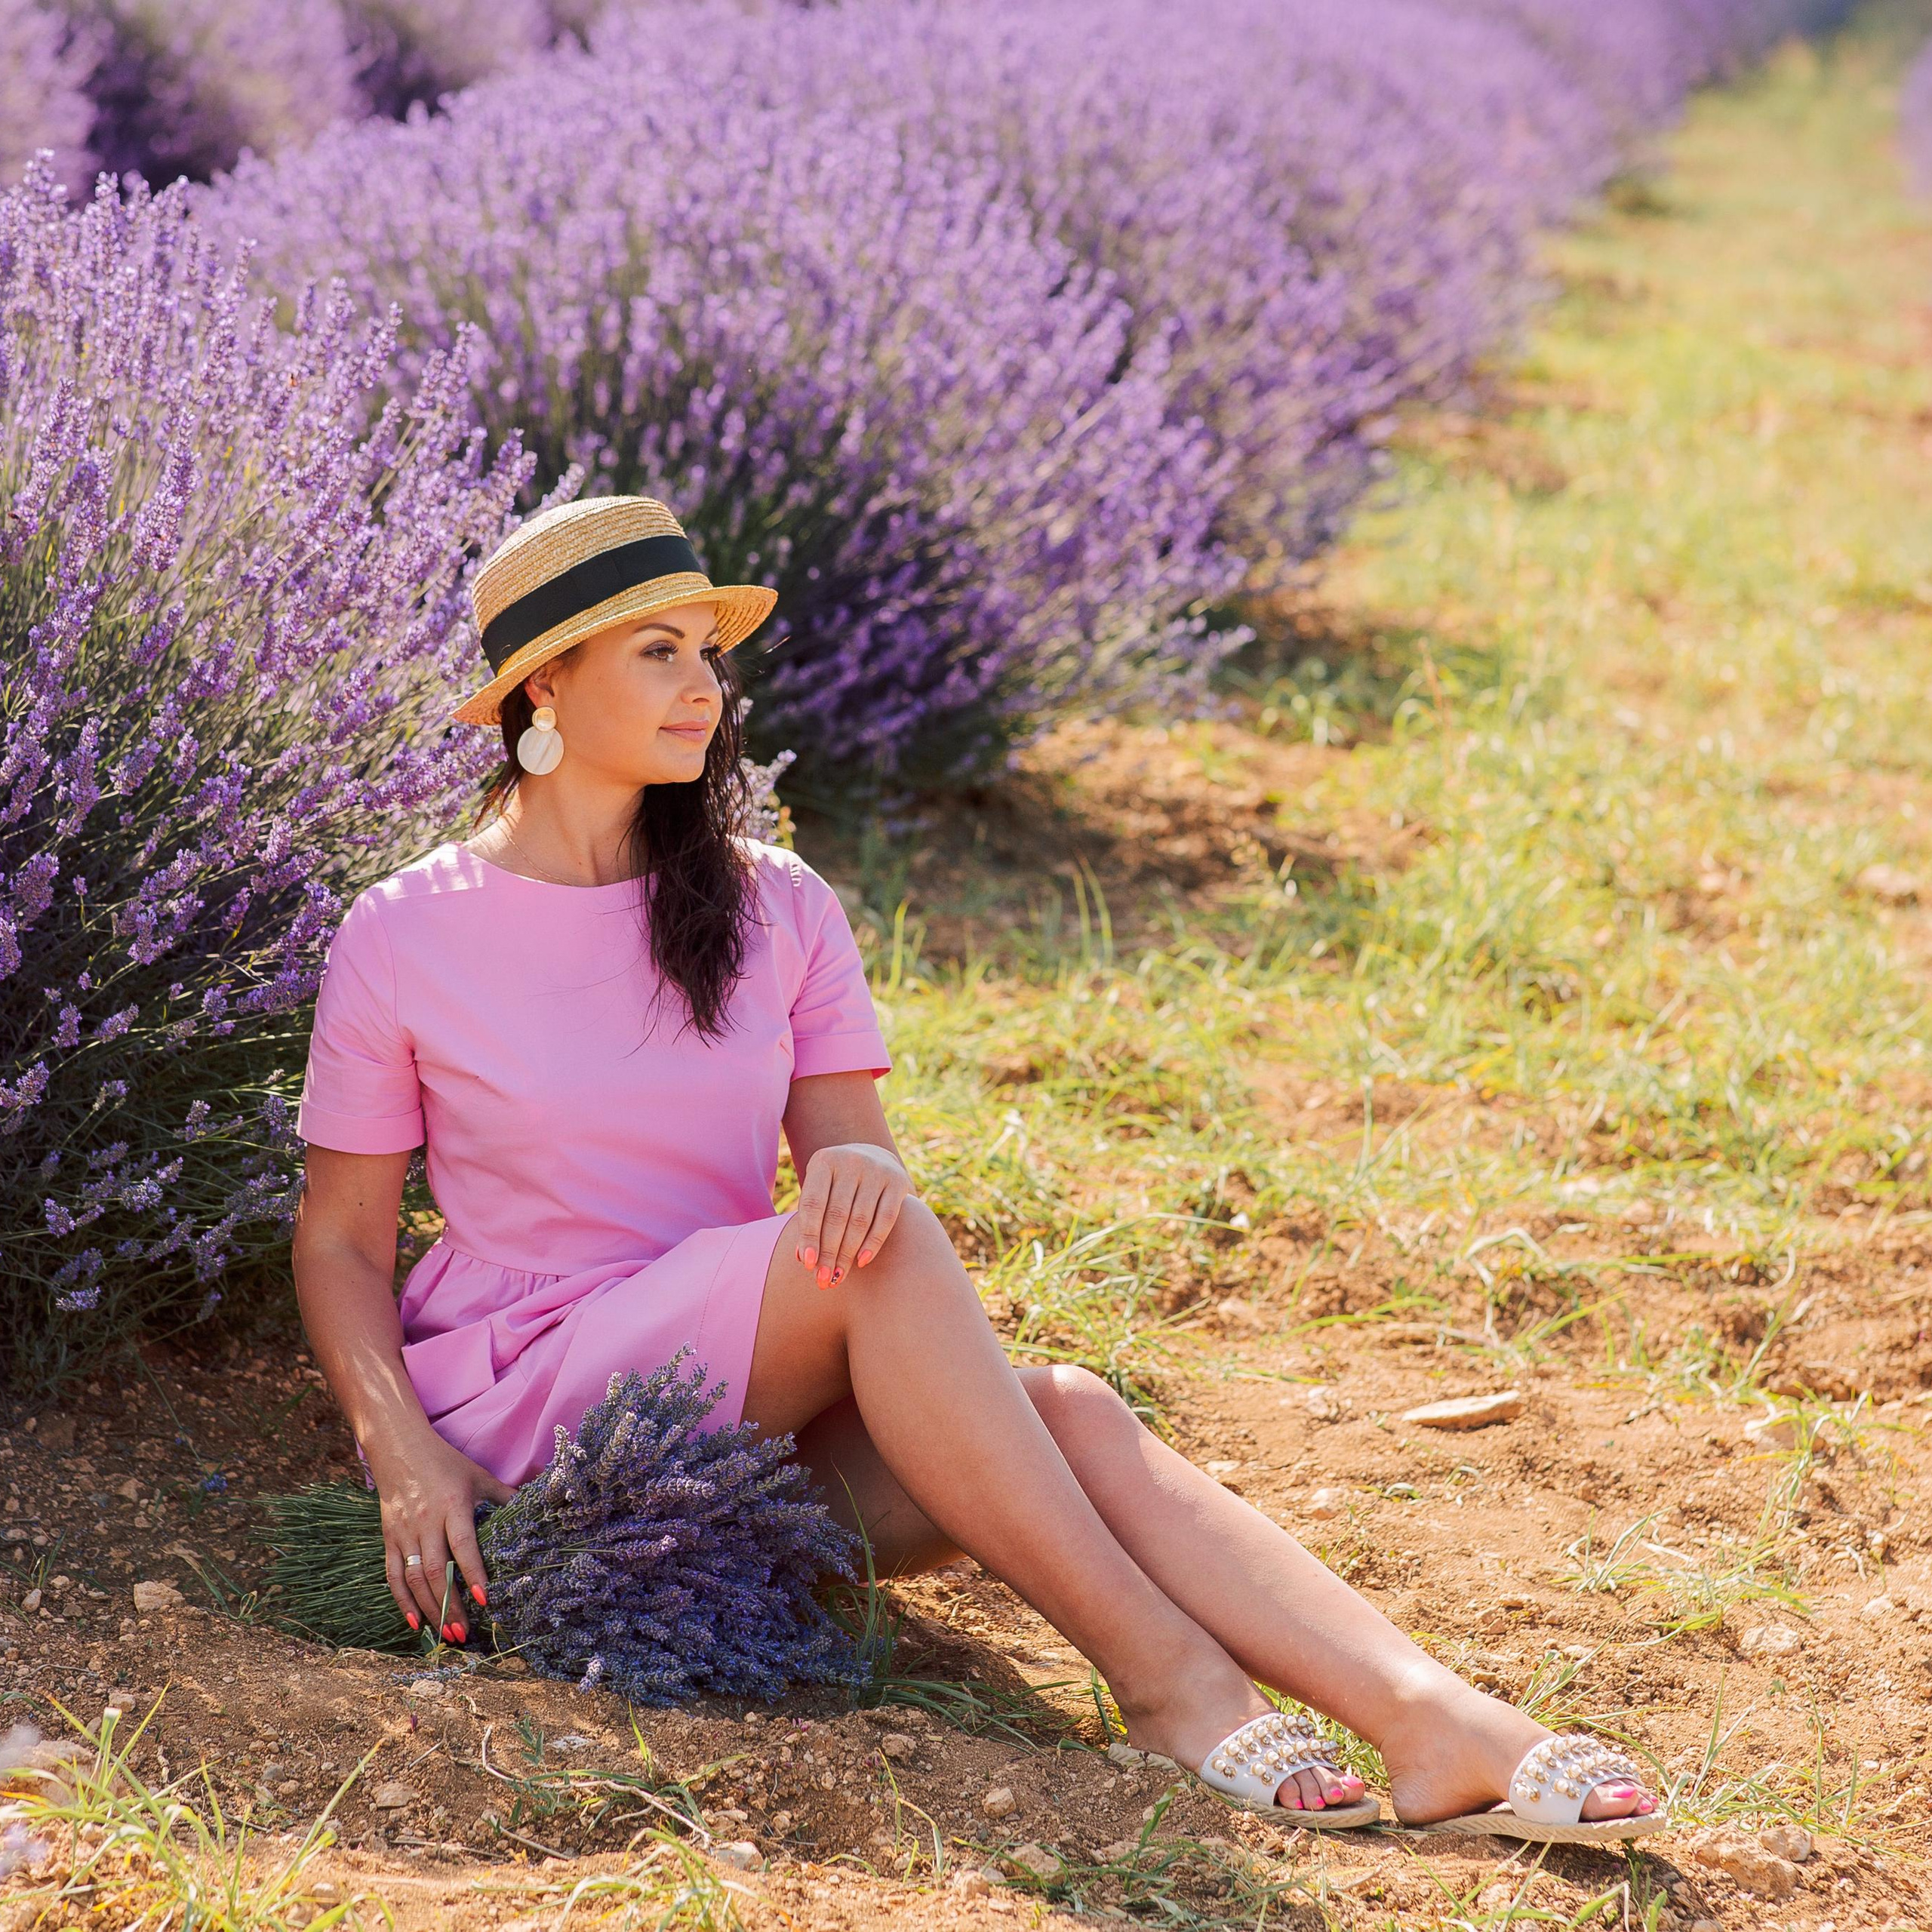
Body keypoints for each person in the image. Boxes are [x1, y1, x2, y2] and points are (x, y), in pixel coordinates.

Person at [291, 494, 1664, 1843]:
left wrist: (865, 1187)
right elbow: (344, 1241)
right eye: (655, 651)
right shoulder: (409, 932)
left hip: (736, 1404)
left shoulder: (777, 904)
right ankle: (1171, 1683)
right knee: (879, 1254)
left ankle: (1431, 1714)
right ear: (544, 686)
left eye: (708, 650)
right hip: (537, 1402)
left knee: (1063, 1406)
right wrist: (402, 1455)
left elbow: (851, 1177)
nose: (702, 685)